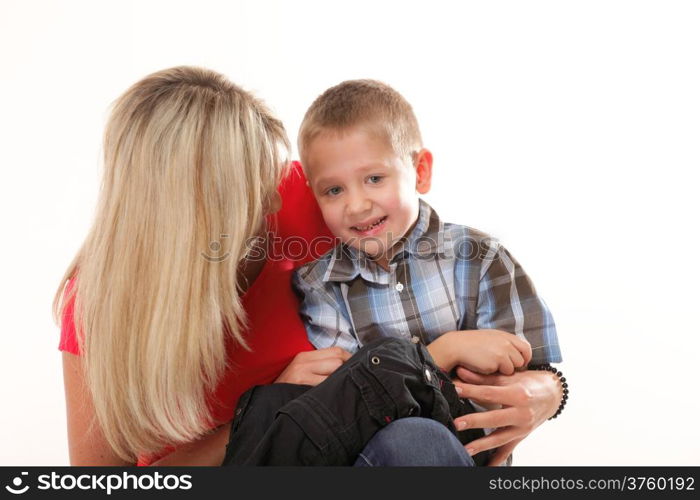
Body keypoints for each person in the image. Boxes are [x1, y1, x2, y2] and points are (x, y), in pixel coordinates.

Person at [55, 66, 563, 467]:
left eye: (269, 175)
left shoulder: (312, 199)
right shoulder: (100, 305)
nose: (274, 199)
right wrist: (278, 406)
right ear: (194, 207)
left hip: (366, 451)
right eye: (250, 189)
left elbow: (426, 281)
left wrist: (545, 393)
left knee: (417, 443)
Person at [292, 79, 564, 463]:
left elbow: (530, 376)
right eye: (333, 190)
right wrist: (443, 353)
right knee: (410, 439)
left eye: (374, 178)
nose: (356, 205)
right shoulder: (321, 286)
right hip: (384, 458)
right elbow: (351, 403)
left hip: (472, 460)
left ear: (420, 171)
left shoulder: (479, 258)